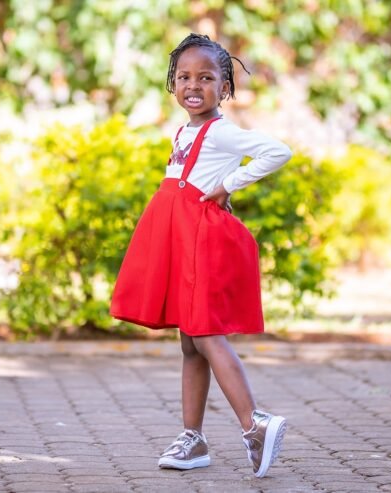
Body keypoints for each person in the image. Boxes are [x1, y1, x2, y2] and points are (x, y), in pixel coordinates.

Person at [110, 33, 293, 478]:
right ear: (172, 84)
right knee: (190, 344)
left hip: (200, 244)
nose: (194, 85)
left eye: (207, 78)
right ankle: (192, 439)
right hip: (179, 239)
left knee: (207, 334)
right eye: (184, 77)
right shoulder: (185, 130)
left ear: (225, 88)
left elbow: (277, 151)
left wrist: (230, 185)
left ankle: (255, 423)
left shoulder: (221, 130)